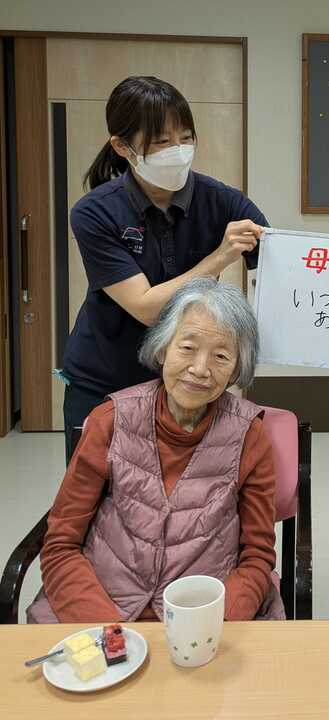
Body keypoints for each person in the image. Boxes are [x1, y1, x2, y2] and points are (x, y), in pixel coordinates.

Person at [28, 278, 284, 623]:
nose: (200, 369)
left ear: (236, 369)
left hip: (207, 613)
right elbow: (61, 544)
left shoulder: (249, 434)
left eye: (221, 356)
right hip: (104, 605)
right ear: (162, 349)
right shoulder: (110, 420)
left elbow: (257, 556)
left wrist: (209, 625)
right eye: (187, 347)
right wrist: (109, 631)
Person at [59, 76, 267, 461]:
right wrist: (220, 257)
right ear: (122, 147)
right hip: (106, 379)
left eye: (186, 138)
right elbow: (146, 307)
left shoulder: (222, 200)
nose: (179, 151)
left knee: (188, 490)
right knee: (96, 487)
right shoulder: (95, 212)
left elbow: (286, 267)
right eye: (162, 142)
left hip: (191, 383)